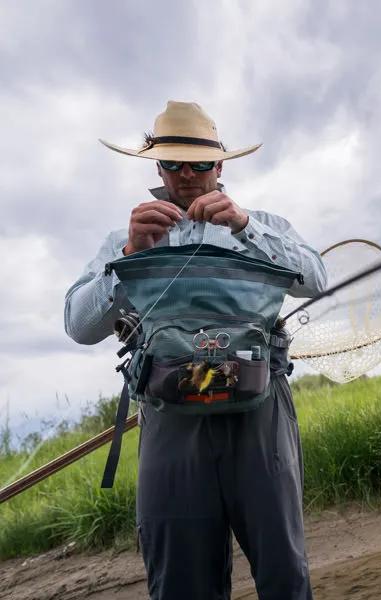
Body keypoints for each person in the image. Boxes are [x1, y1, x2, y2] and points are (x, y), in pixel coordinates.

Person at [64, 100, 326, 599]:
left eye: (200, 163)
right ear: (156, 167)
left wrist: (247, 227)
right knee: (180, 582)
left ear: (221, 165)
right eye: (174, 164)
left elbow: (316, 278)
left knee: (284, 574)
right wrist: (128, 257)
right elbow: (80, 325)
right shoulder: (124, 239)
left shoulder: (264, 223)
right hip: (169, 420)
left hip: (261, 416)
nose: (187, 175)